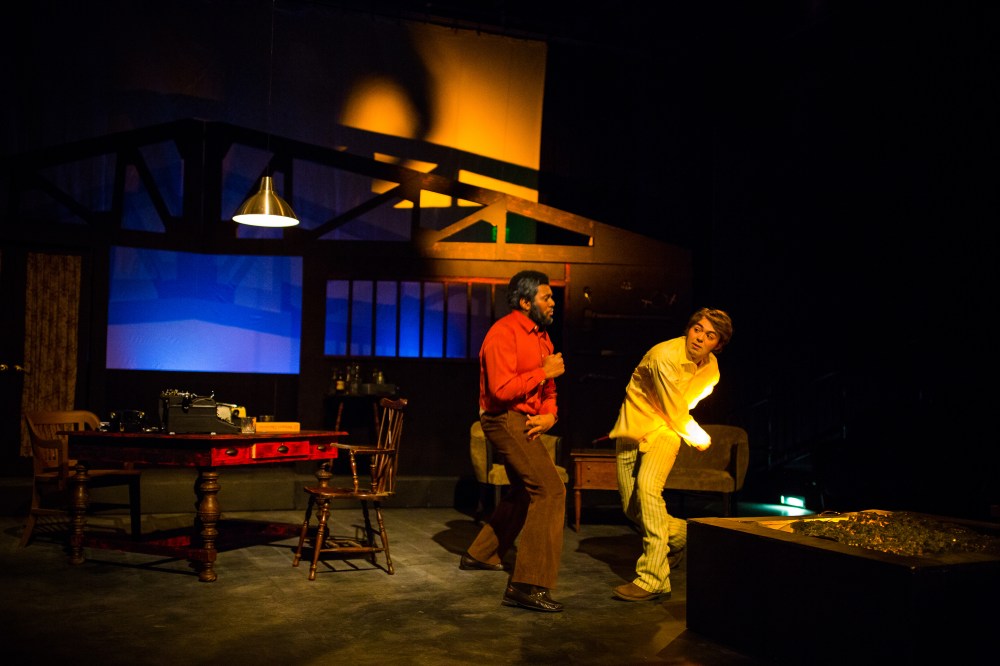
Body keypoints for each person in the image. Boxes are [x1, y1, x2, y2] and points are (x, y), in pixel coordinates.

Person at [608, 307, 734, 602]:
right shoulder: (663, 356)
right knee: (632, 508)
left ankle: (653, 578)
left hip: (666, 429)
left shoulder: (711, 369)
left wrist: (685, 429)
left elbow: (682, 407)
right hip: (634, 425)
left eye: (710, 335)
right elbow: (675, 408)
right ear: (689, 329)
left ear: (718, 344)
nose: (700, 338)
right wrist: (698, 436)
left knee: (648, 488)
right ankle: (684, 535)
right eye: (697, 329)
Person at [460, 269, 567, 612]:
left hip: (527, 419)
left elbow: (549, 390)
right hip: (502, 418)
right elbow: (500, 391)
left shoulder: (543, 338)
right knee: (550, 491)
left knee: (525, 490)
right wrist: (543, 372)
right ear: (525, 301)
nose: (553, 303)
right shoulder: (502, 333)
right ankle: (527, 585)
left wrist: (550, 415)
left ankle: (482, 553)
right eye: (546, 297)